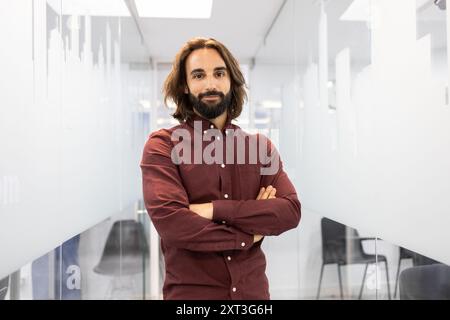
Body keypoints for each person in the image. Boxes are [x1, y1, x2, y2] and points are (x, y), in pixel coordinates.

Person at [140, 37, 301, 300]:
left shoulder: (260, 148)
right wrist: (249, 233)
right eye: (199, 75)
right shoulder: (163, 145)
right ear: (184, 85)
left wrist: (213, 209)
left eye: (219, 73)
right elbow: (174, 224)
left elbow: (290, 211)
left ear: (231, 80)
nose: (211, 84)